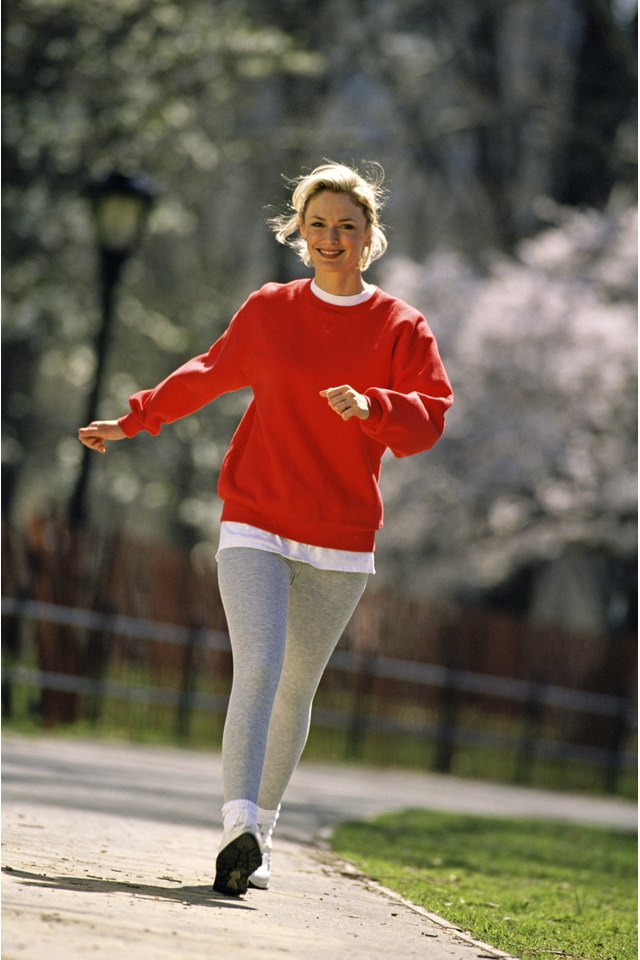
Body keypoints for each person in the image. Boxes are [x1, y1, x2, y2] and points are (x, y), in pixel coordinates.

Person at [78, 161, 453, 897]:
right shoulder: (271, 309)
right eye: (318, 225)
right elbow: (211, 371)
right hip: (255, 517)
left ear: (370, 234)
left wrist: (375, 406)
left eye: (347, 225)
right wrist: (137, 418)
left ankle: (265, 835)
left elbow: (430, 417)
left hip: (341, 539)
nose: (331, 238)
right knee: (258, 665)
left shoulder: (401, 326)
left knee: (296, 687)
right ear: (299, 232)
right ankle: (236, 825)